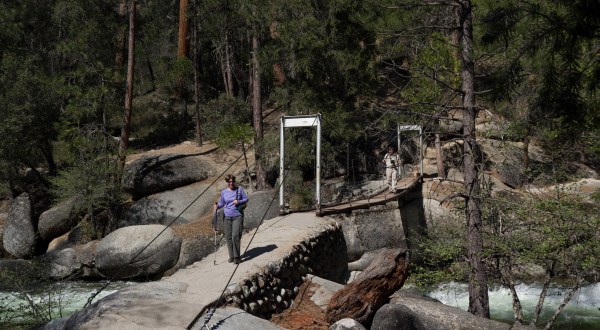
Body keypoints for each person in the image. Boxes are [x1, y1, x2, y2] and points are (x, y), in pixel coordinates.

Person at [213, 174, 249, 264]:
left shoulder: (239, 189)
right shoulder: (224, 192)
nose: (231, 183)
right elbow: (222, 203)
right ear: (227, 182)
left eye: (232, 181)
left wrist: (239, 201)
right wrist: (217, 206)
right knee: (228, 237)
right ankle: (231, 256)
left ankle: (237, 257)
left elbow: (246, 199)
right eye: (229, 182)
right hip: (227, 216)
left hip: (237, 215)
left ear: (234, 181)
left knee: (235, 235)